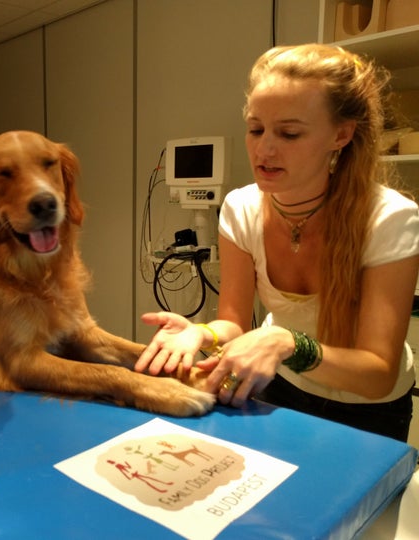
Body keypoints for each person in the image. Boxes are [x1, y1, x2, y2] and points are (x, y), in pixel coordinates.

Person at [136, 43, 419, 442]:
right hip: (282, 389)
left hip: (370, 413)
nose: (264, 149)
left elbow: (376, 373)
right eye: (256, 129)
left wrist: (287, 342)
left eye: (288, 133)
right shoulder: (241, 207)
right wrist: (202, 333)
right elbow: (233, 323)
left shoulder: (389, 218)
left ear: (341, 134)